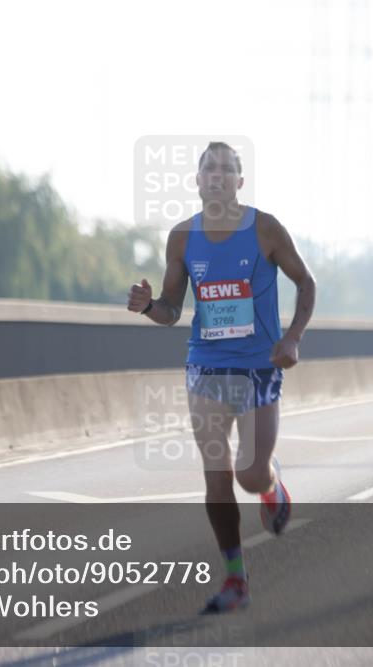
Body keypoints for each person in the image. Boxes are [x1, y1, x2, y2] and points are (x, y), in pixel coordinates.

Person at [127, 142, 316, 614]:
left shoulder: (266, 229)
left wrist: (292, 338)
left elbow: (306, 282)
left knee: (250, 475)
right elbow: (172, 309)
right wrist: (150, 306)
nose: (216, 175)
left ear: (239, 181)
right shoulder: (182, 238)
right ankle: (235, 579)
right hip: (206, 366)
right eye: (208, 169)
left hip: (258, 367)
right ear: (196, 181)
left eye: (226, 169)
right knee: (217, 476)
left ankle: (271, 487)